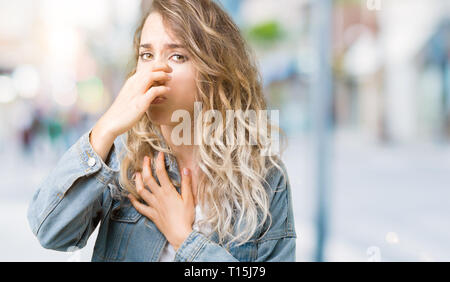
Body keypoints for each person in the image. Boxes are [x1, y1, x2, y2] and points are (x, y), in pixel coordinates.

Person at [27, 0, 296, 262]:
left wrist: (185, 240)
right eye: (147, 55)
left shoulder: (266, 179)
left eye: (177, 56)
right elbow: (49, 231)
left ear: (215, 70)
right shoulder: (124, 157)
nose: (154, 72)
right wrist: (106, 126)